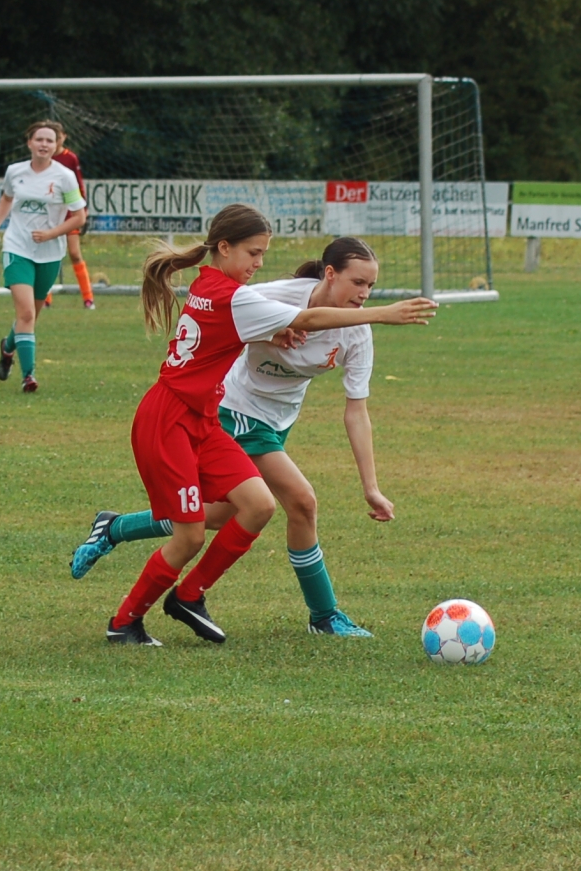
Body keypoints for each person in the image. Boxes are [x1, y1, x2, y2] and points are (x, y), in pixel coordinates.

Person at [103, 204, 433, 646]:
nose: (260, 263)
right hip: (199, 415)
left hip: (210, 417)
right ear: (224, 248)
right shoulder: (243, 296)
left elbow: (352, 404)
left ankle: (131, 543)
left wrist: (269, 332)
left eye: (371, 287)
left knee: (244, 509)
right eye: (254, 253)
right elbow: (299, 319)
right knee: (244, 518)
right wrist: (382, 313)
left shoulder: (219, 287)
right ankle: (131, 620)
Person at [0, 120, 86, 393]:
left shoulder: (64, 176)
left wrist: (51, 233)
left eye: (49, 140)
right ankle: (29, 376)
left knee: (30, 317)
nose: (44, 144)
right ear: (29, 143)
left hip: (50, 253)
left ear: (57, 145)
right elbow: (6, 199)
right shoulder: (15, 172)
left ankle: (8, 347)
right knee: (26, 313)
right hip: (17, 248)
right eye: (39, 139)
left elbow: (79, 217)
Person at [49, 125, 95, 310]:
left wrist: (83, 208)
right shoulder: (44, 158)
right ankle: (45, 297)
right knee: (49, 256)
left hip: (70, 213)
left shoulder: (70, 158)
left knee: (75, 254)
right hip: (51, 213)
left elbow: (78, 183)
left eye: (57, 137)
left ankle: (88, 298)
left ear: (64, 137)